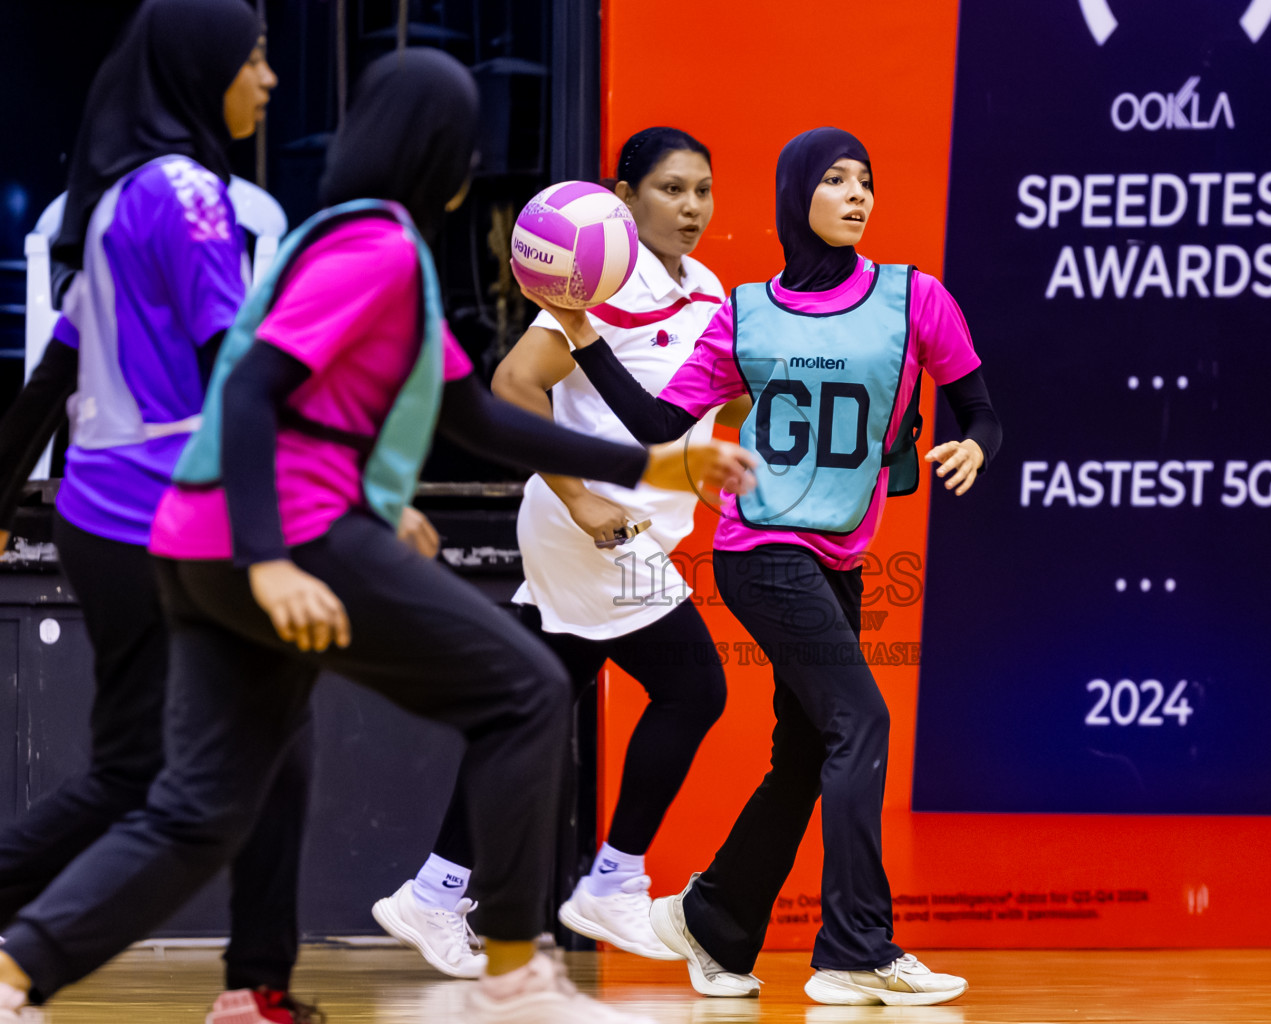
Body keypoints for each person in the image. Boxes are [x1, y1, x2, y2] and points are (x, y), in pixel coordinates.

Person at [0, 50, 754, 1024]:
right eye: (468, 139)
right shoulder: (376, 250)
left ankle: (21, 975)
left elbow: (477, 421)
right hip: (283, 532)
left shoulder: (357, 242)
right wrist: (270, 556)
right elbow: (252, 388)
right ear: (439, 151)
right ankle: (518, 973)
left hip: (202, 537)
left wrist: (657, 468)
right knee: (526, 692)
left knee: (208, 802)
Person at [528, 127, 1002, 1007]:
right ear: (796, 196)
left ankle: (712, 922)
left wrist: (973, 444)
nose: (857, 195)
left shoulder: (916, 299)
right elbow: (655, 425)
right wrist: (582, 331)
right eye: (835, 180)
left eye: (867, 180)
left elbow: (979, 407)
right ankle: (856, 949)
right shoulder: (742, 313)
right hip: (760, 552)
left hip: (840, 559)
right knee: (862, 722)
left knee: (807, 748)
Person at [0, 3, 317, 1021]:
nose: (267, 80)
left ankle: (256, 983)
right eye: (254, 58)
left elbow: (55, 373)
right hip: (158, 522)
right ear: (199, 67)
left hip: (105, 517)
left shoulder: (114, 197)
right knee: (175, 764)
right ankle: (251, 985)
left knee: (249, 744)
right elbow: (236, 370)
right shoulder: (186, 197)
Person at [372, 126, 751, 975]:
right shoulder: (597, 287)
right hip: (591, 531)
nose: (691, 207)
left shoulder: (706, 284)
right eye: (671, 190)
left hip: (636, 527)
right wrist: (580, 496)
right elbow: (512, 385)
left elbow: (678, 407)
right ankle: (613, 881)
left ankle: (432, 893)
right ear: (623, 199)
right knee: (695, 689)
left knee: (532, 705)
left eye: (703, 190)